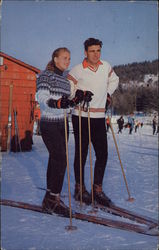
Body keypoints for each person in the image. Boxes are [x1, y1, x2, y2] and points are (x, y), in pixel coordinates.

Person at [67, 38, 119, 207]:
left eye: (98, 51)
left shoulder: (106, 66)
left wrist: (108, 94)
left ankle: (97, 190)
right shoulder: (77, 70)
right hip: (81, 115)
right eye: (92, 51)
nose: (96, 54)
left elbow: (114, 80)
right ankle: (79, 188)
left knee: (102, 154)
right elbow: (69, 91)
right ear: (85, 52)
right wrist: (78, 95)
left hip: (99, 117)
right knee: (81, 154)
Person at [36, 47, 77, 216]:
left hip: (62, 123)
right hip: (49, 124)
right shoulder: (45, 75)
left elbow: (66, 104)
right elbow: (43, 99)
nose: (67, 61)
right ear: (55, 59)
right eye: (64, 58)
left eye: (69, 58)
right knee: (60, 160)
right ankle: (54, 199)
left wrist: (77, 99)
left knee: (56, 159)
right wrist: (58, 104)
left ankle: (49, 197)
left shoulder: (65, 80)